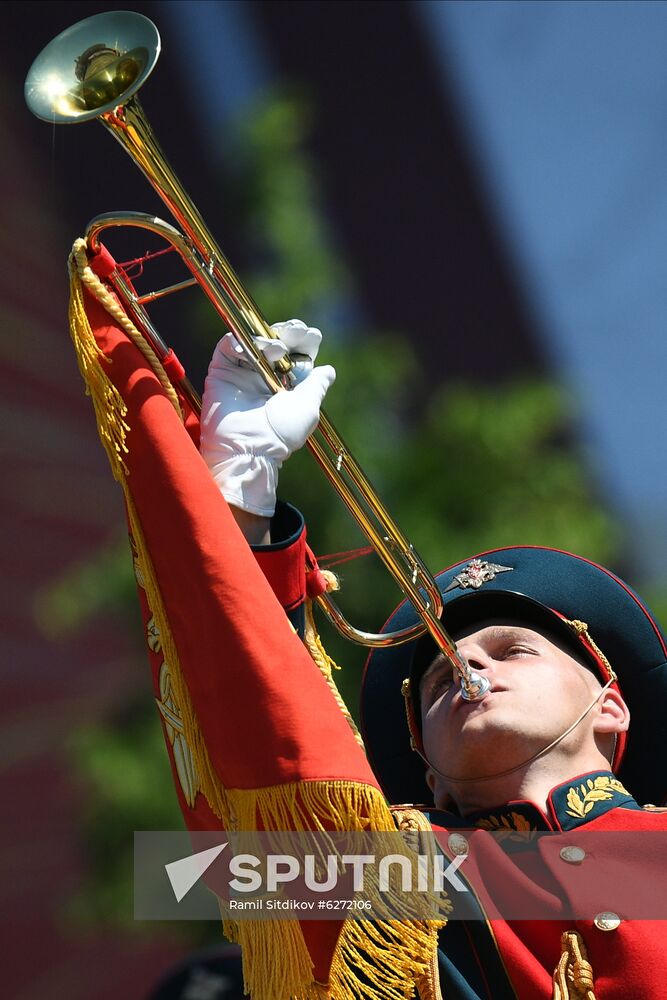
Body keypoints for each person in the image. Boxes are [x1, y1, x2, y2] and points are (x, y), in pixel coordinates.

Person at [68, 257, 667, 1000]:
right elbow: (261, 759)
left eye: (512, 648)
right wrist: (235, 504)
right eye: (440, 680)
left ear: (609, 703)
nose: (467, 669)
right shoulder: (391, 877)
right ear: (425, 762)